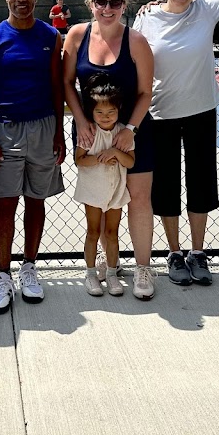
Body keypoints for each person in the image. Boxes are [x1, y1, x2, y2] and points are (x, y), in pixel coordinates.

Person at [132, 0, 219, 287]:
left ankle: (198, 252)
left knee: (201, 183)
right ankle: (174, 252)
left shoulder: (206, 9)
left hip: (201, 111)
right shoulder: (146, 18)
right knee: (166, 186)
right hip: (161, 114)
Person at [0, 0, 65, 313]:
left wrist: (58, 131)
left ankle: (29, 267)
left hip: (43, 127)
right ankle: (3, 275)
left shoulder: (50, 36)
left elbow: (57, 85)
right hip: (5, 130)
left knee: (36, 200)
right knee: (6, 203)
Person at [63, 0, 157, 300]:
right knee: (103, 199)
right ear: (91, 4)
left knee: (139, 199)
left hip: (133, 131)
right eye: (101, 2)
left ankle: (143, 268)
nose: (107, 8)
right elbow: (67, 83)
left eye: (115, 2)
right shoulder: (77, 35)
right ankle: (109, 261)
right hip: (92, 134)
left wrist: (130, 130)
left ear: (124, 5)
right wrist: (81, 121)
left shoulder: (136, 41)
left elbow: (145, 92)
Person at [73, 76, 134, 297]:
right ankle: (90, 273)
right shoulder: (89, 133)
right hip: (93, 190)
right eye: (99, 112)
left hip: (116, 190)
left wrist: (115, 152)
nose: (105, 116)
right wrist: (100, 158)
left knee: (112, 233)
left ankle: (111, 273)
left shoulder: (123, 133)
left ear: (119, 110)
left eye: (110, 112)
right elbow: (79, 160)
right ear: (92, 112)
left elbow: (130, 162)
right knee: (93, 231)